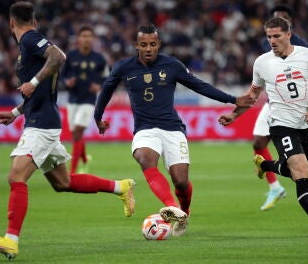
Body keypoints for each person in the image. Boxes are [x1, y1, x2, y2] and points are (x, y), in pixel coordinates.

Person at [0, 1, 135, 260]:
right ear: (35, 20)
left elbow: (59, 57)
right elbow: (37, 92)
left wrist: (32, 81)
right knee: (63, 183)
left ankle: (11, 240)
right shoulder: (29, 44)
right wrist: (16, 112)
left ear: (10, 23)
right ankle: (121, 187)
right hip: (42, 120)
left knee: (16, 178)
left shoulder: (30, 39)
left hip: (42, 125)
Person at [93, 24, 256, 237]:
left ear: (158, 44)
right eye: (144, 45)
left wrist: (233, 100)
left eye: (152, 44)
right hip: (144, 129)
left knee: (180, 181)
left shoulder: (172, 65)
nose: (149, 48)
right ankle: (171, 207)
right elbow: (106, 91)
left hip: (172, 128)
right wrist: (98, 117)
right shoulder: (123, 67)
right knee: (145, 158)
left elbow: (199, 85)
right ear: (136, 45)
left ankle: (183, 212)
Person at [219, 17, 308, 236]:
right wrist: (235, 114)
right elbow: (253, 94)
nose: (272, 40)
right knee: (301, 170)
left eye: (277, 35)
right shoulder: (262, 62)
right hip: (280, 125)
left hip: (305, 125)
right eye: (269, 36)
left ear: (289, 35)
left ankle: (266, 166)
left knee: (296, 171)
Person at [254, 4, 308, 211]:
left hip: (300, 109)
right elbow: (259, 81)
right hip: (274, 105)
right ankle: (274, 187)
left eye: (283, 18)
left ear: (289, 30)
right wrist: (236, 110)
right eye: (275, 17)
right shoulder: (265, 46)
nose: (272, 40)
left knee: (304, 161)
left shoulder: (303, 47)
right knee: (259, 141)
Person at [61, 25, 109, 174]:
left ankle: (72, 173)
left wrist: (99, 86)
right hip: (73, 100)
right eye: (84, 36)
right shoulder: (71, 56)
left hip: (89, 100)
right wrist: (67, 82)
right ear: (79, 39)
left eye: (89, 36)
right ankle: (85, 160)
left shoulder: (99, 59)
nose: (86, 39)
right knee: (77, 134)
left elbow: (107, 78)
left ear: (93, 39)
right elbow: (63, 75)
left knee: (77, 132)